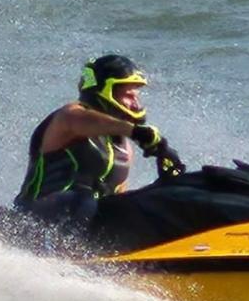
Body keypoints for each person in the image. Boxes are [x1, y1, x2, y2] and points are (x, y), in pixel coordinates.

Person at [14, 54, 185, 227]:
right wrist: (137, 133)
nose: (135, 103)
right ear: (103, 91)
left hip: (85, 226)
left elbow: (118, 199)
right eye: (128, 95)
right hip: (31, 221)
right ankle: (66, 253)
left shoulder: (124, 148)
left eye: (136, 96)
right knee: (82, 198)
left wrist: (166, 184)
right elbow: (78, 120)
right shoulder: (67, 119)